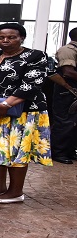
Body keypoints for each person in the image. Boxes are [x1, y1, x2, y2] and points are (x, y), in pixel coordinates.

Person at [0, 23, 52, 203]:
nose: (5, 41)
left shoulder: (35, 56)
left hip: (23, 111)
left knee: (16, 150)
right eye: (1, 37)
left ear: (21, 37)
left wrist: (7, 104)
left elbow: (31, 84)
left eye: (11, 37)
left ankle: (15, 192)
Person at [51, 28, 77, 164]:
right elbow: (68, 72)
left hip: (73, 90)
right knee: (64, 122)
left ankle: (69, 151)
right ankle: (58, 152)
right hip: (67, 91)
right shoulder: (68, 50)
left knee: (74, 123)